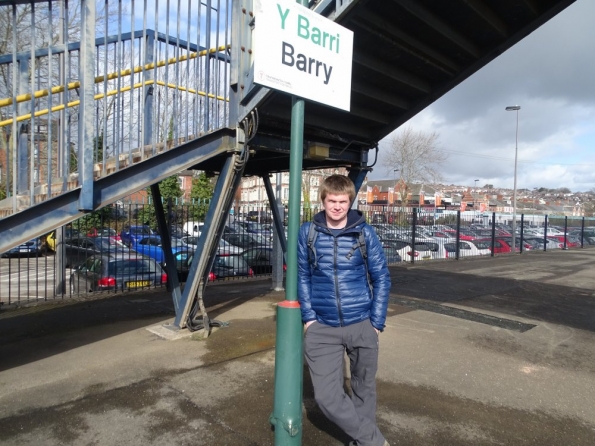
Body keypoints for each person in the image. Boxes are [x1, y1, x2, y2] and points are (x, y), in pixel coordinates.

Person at [297, 174, 392, 446]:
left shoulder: (364, 232)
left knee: (363, 390)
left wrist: (376, 322)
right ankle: (374, 442)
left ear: (350, 201)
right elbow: (302, 276)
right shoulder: (308, 232)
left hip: (362, 323)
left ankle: (362, 443)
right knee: (327, 398)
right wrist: (309, 319)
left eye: (342, 201)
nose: (337, 207)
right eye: (332, 201)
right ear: (323, 201)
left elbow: (382, 277)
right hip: (322, 327)